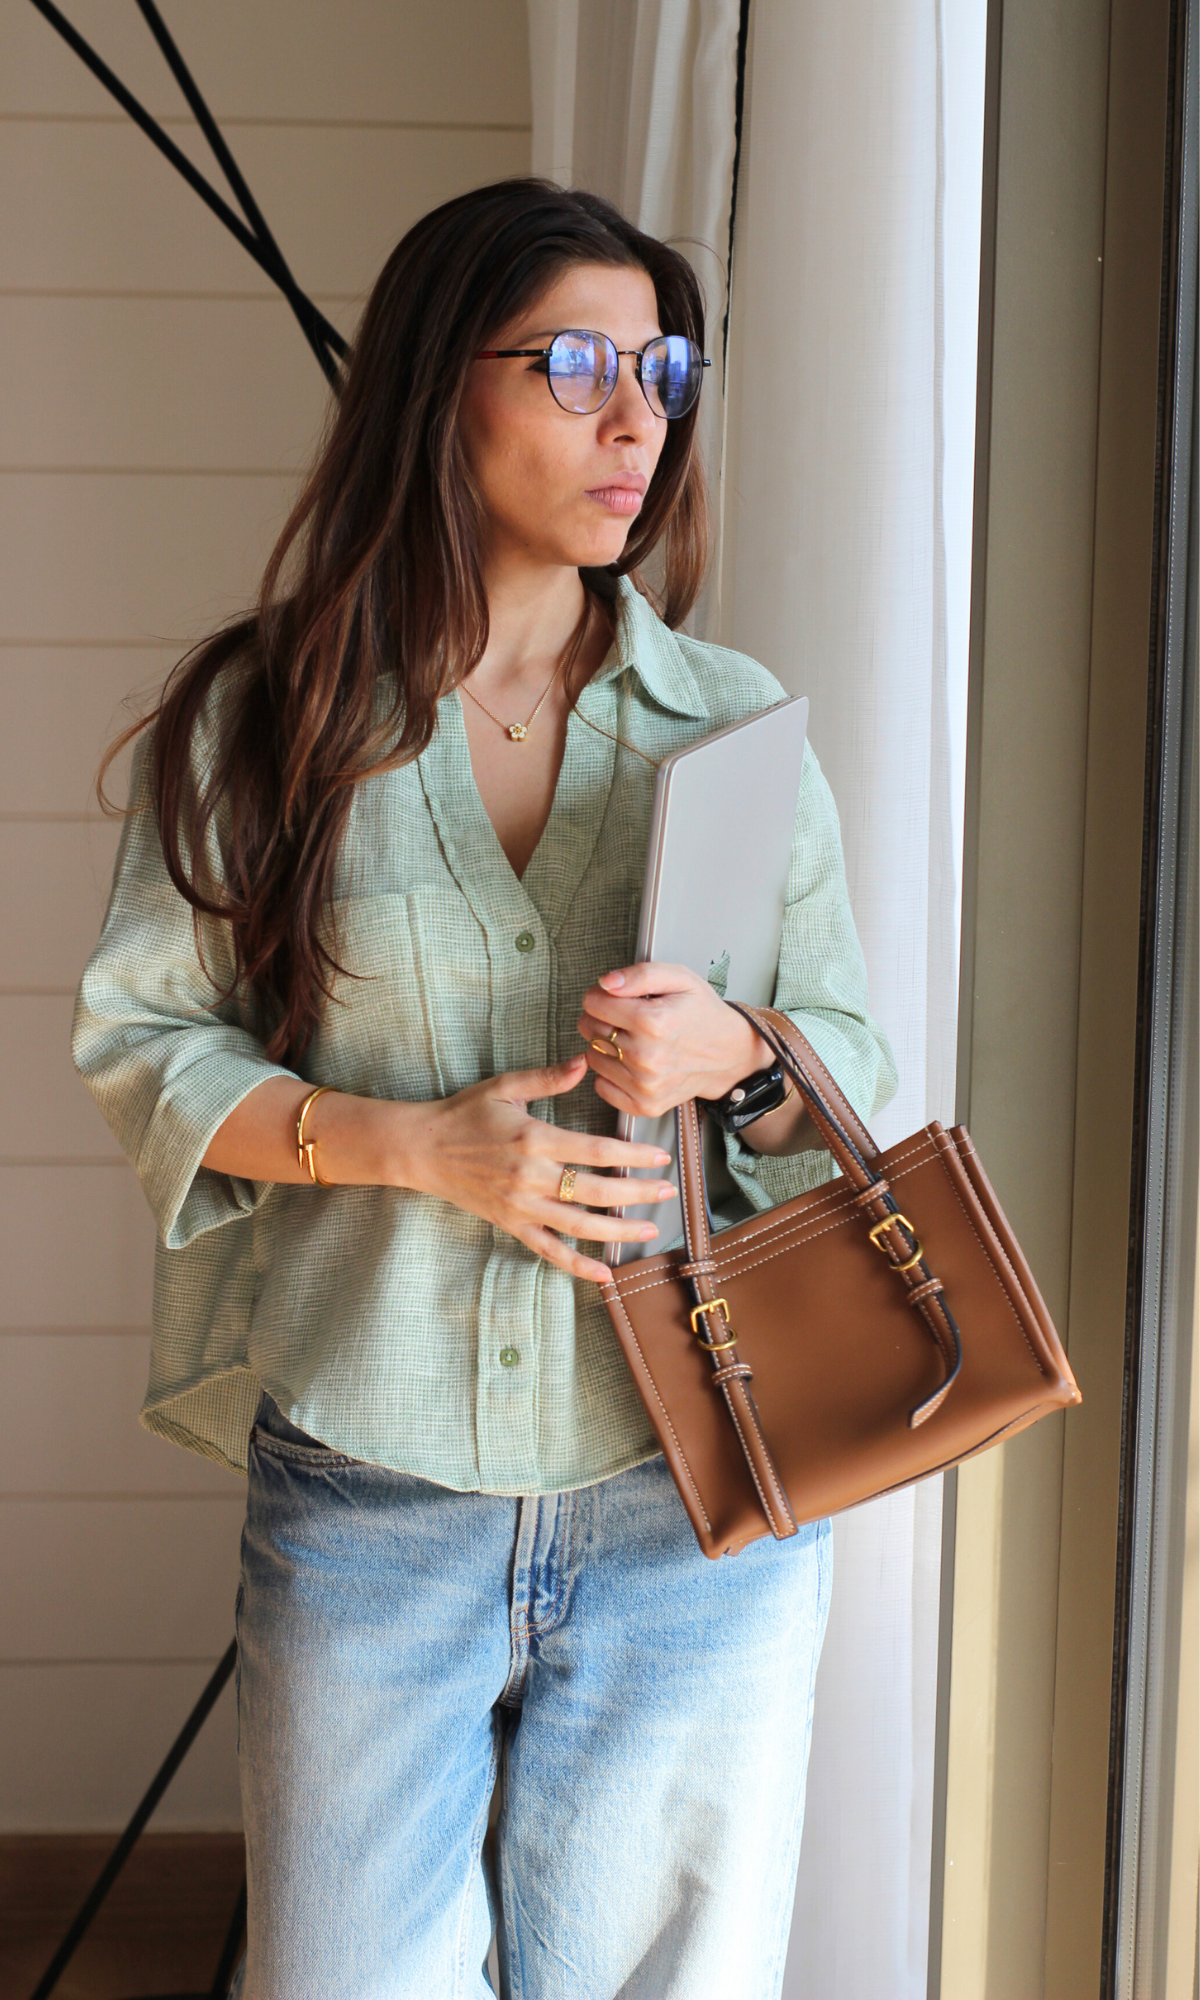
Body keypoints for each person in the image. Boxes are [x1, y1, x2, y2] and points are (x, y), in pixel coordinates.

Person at [73, 179, 896, 2000]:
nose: (636, 422)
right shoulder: (265, 723)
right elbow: (149, 1044)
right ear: (446, 388)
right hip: (373, 1491)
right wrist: (417, 1150)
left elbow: (852, 1075)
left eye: (661, 371)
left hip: (695, 1495)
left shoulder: (730, 721)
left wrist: (743, 1055)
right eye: (579, 365)